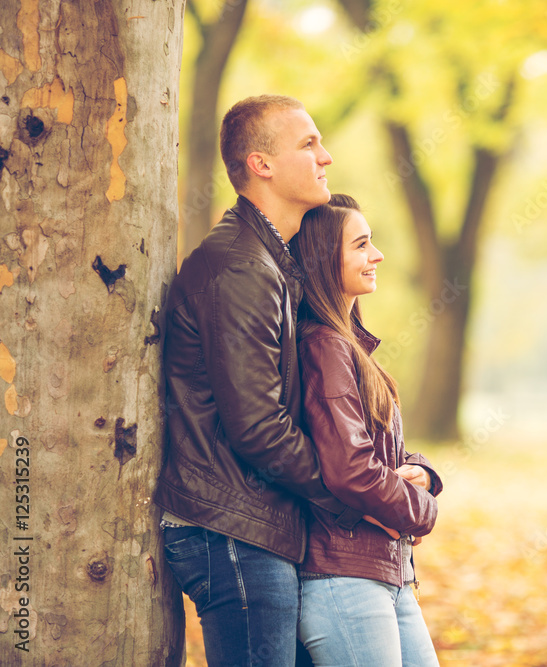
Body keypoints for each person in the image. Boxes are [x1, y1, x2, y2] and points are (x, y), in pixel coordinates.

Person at [154, 95, 368, 667]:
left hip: (254, 524)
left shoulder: (271, 261)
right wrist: (345, 498)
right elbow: (258, 428)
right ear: (261, 164)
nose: (326, 156)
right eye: (308, 143)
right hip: (231, 530)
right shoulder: (242, 266)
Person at [290, 194, 443, 667]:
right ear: (322, 258)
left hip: (386, 571)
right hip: (345, 578)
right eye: (361, 245)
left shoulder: (348, 345)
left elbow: (367, 446)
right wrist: (421, 512)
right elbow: (351, 469)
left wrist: (419, 472)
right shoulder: (324, 344)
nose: (376, 255)